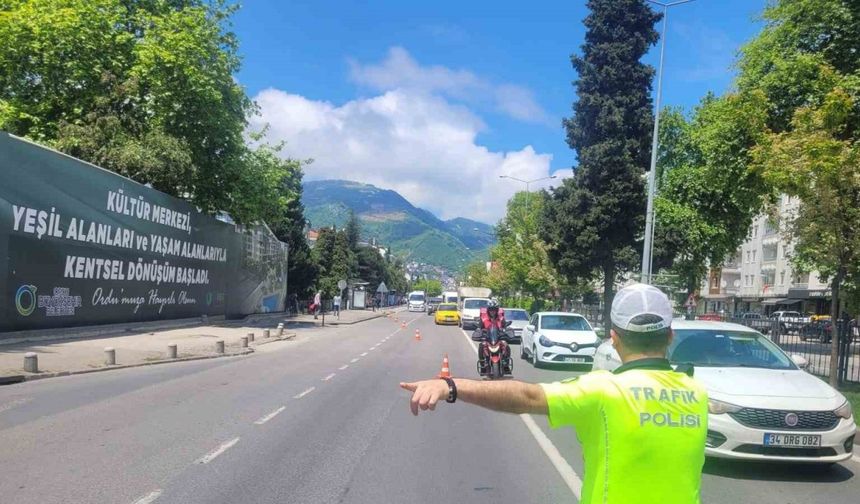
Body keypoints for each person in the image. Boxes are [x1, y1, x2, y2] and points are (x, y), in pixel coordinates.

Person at [400, 283, 708, 504]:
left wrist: (450, 386)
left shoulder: (604, 390)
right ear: (670, 336)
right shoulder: (696, 393)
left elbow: (527, 397)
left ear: (614, 339)